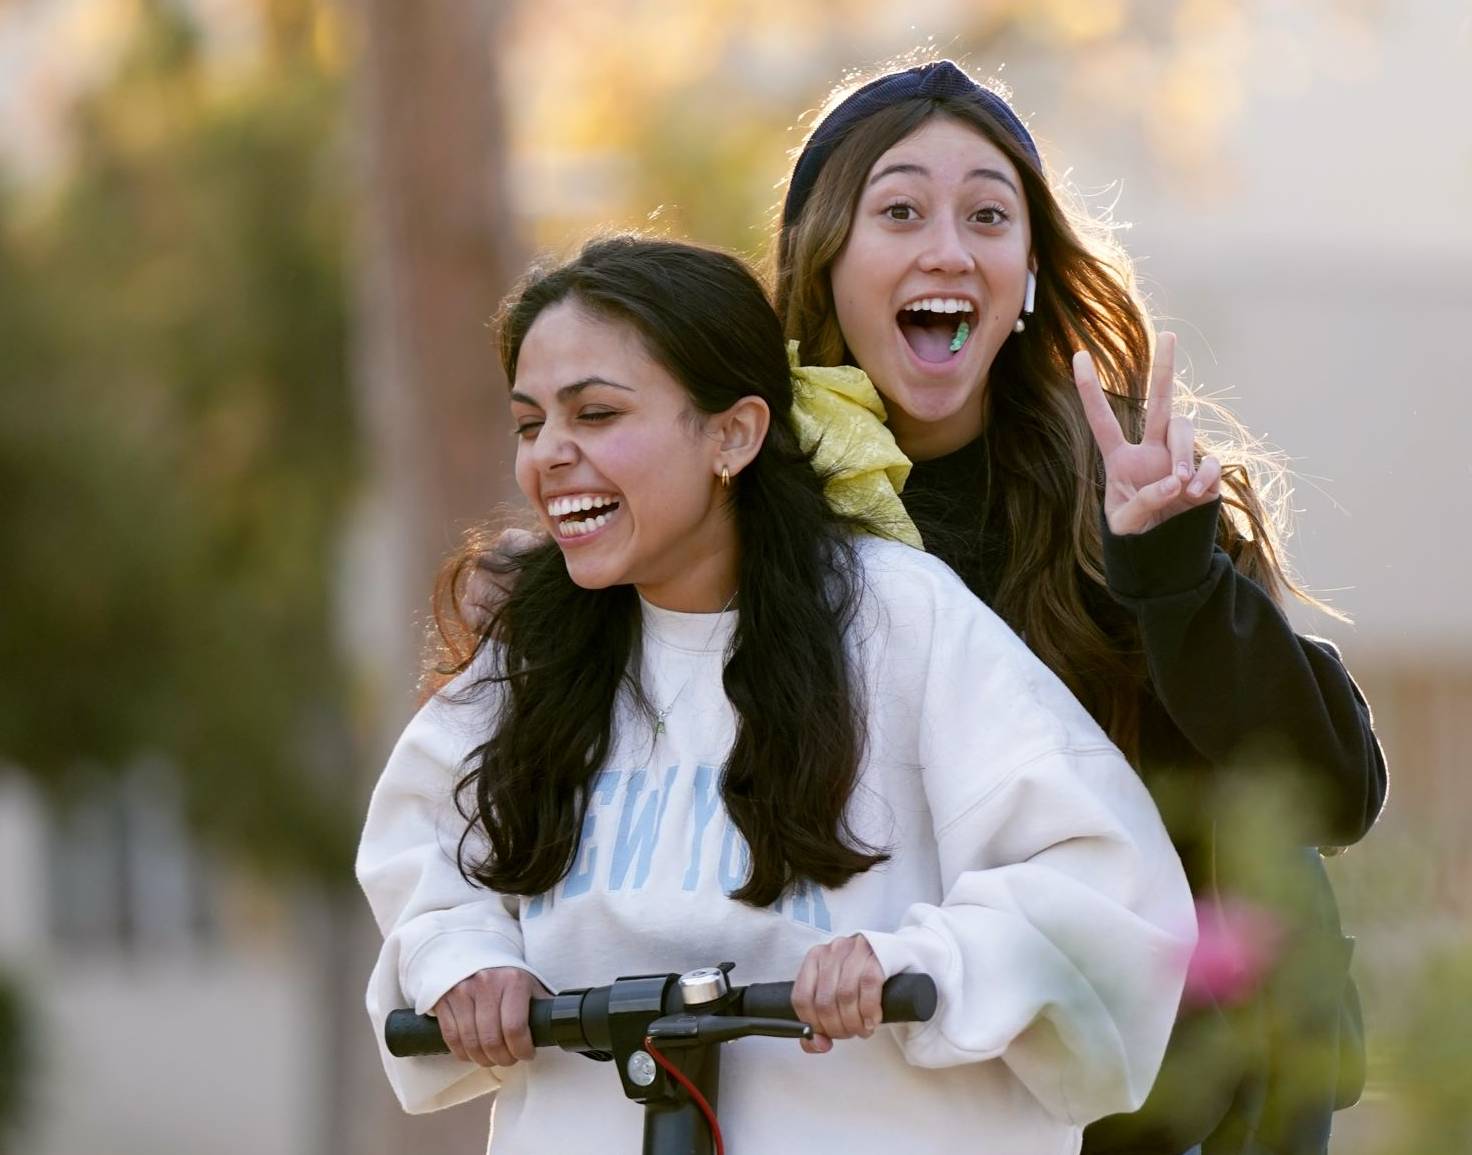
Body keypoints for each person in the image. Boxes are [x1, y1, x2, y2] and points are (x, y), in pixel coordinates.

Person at [469, 60, 1389, 1153]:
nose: (947, 248)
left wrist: (1178, 581)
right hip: (858, 1088)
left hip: (1150, 1089)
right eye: (899, 210)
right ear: (825, 263)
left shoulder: (1128, 494)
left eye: (988, 216)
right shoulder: (735, 508)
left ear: (1031, 272)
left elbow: (1328, 796)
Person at [357, 234, 1196, 1155]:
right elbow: (421, 849)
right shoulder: (534, 652)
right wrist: (461, 961)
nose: (548, 456)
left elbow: (1103, 876)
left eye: (595, 414)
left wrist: (915, 961)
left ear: (735, 433)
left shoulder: (897, 618)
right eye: (530, 424)